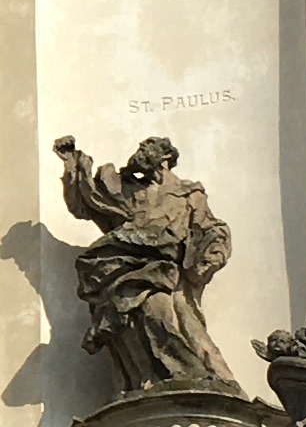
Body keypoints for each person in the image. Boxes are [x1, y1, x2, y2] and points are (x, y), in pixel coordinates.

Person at [52, 134, 245, 397]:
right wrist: (72, 163)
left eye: (147, 148)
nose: (140, 152)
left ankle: (194, 376)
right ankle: (148, 381)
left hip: (168, 273)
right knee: (136, 319)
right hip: (125, 267)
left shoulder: (189, 194)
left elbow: (210, 228)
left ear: (164, 157)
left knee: (167, 316)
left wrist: (210, 257)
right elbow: (87, 203)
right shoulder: (129, 190)